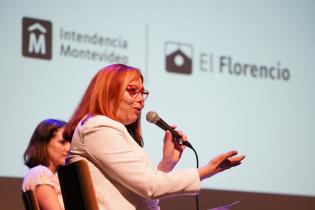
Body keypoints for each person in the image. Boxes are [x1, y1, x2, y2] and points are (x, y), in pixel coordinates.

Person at [63, 63, 245, 210]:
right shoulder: (98, 128)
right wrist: (207, 170)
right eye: (132, 90)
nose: (141, 99)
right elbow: (149, 187)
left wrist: (167, 162)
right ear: (108, 91)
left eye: (142, 92)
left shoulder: (108, 129)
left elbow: (144, 193)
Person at [22, 119, 70, 210]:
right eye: (62, 142)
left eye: (69, 142)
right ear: (44, 143)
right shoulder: (40, 173)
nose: (68, 148)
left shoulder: (50, 175)